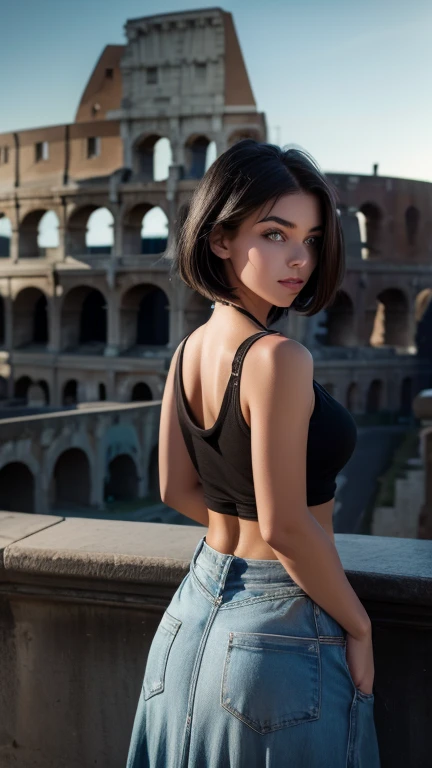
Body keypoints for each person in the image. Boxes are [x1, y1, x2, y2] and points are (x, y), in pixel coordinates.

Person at [126, 139, 381, 767]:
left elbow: (175, 490)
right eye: (275, 234)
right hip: (281, 628)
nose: (299, 259)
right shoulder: (279, 358)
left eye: (312, 239)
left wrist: (235, 535)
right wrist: (359, 625)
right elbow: (284, 525)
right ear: (219, 239)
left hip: (191, 615)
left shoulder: (188, 349)